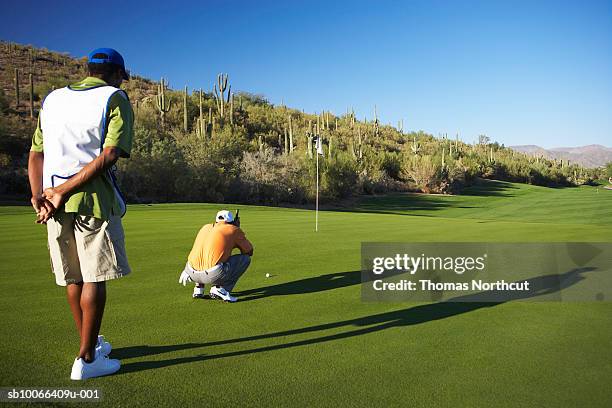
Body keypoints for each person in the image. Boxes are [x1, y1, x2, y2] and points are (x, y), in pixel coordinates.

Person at [28, 48, 133, 380]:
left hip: (52, 203)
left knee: (72, 277)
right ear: (116, 74)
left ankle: (91, 344)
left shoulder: (53, 99)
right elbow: (111, 153)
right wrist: (65, 190)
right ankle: (87, 359)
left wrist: (40, 194)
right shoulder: (114, 97)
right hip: (91, 200)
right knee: (93, 277)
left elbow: (35, 153)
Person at [179, 210, 254, 302]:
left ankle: (198, 288)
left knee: (206, 254)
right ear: (231, 221)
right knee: (245, 259)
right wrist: (237, 230)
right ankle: (221, 289)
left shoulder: (205, 227)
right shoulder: (233, 230)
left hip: (190, 270)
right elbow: (249, 251)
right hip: (212, 275)